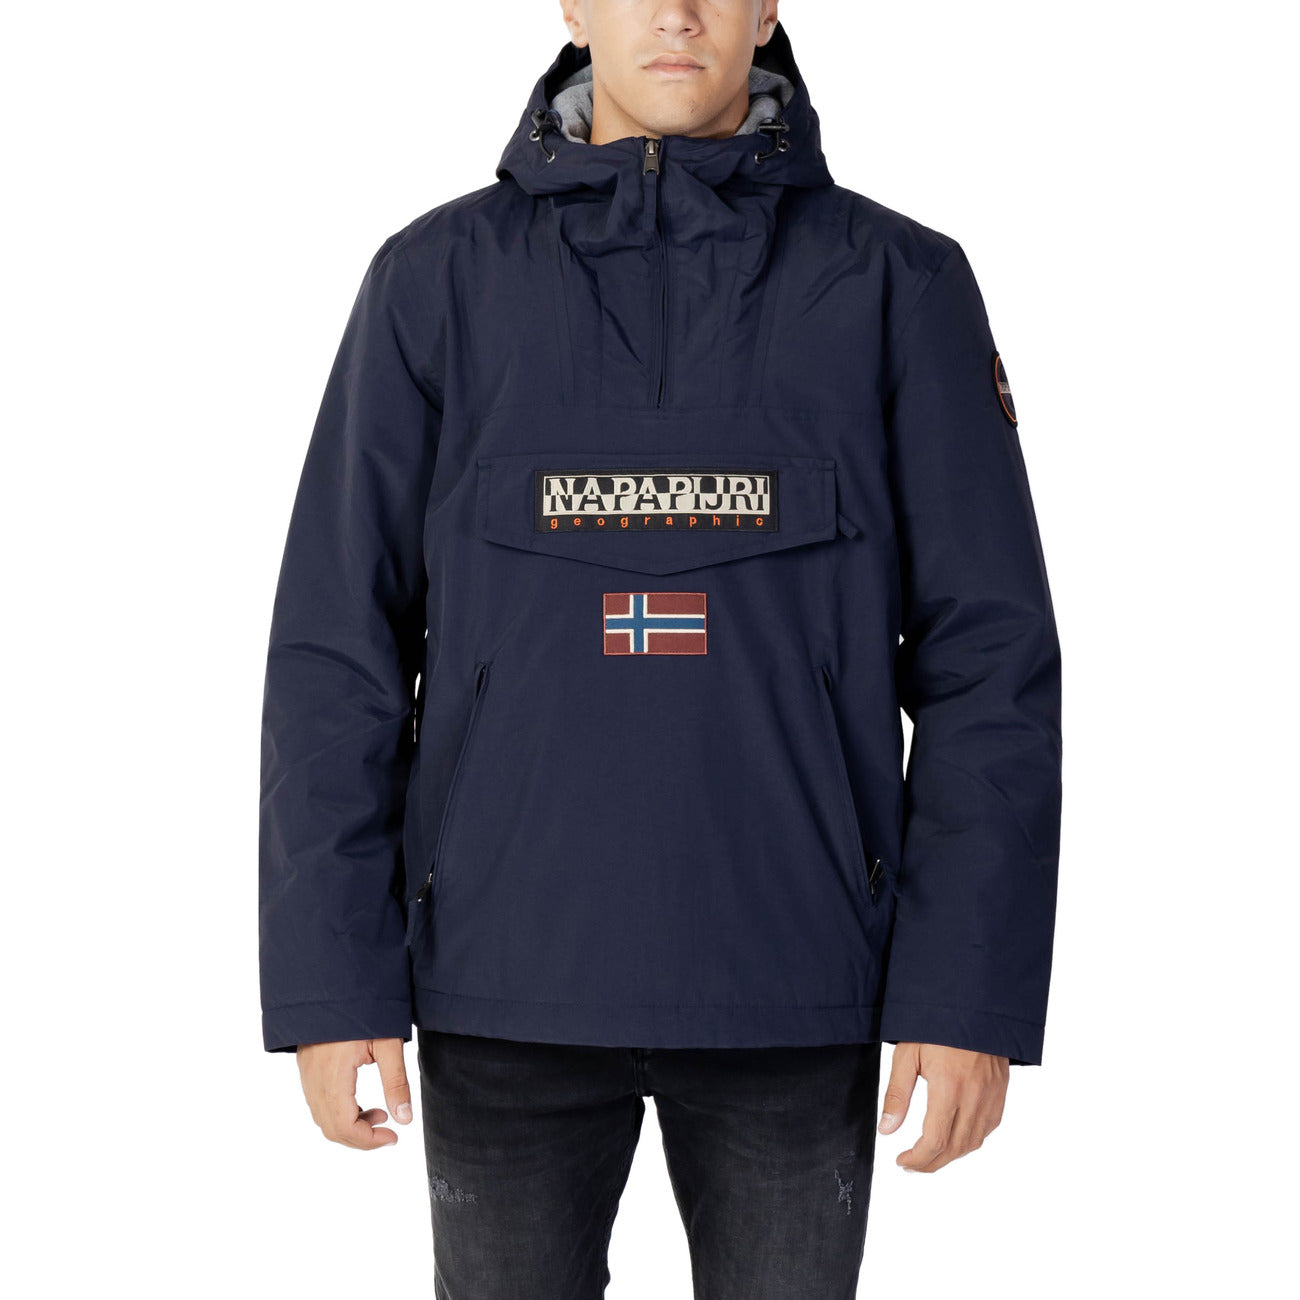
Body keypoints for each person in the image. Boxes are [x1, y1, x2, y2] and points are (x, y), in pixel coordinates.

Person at [259, 3, 1062, 1295]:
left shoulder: (898, 286)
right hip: (503, 985)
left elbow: (991, 662)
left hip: (794, 984)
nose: (677, 13)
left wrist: (966, 991)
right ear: (574, 5)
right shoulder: (435, 282)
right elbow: (336, 648)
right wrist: (330, 978)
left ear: (770, 6)